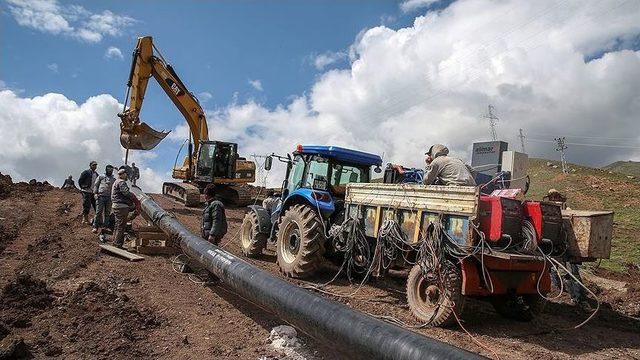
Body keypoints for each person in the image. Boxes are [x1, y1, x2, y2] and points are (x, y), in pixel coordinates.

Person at [111, 168, 134, 248]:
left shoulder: (116, 182)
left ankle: (114, 242)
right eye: (127, 174)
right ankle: (117, 244)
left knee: (117, 225)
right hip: (121, 207)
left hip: (116, 206)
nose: (127, 176)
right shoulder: (121, 182)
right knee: (121, 226)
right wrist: (133, 197)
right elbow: (126, 192)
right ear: (123, 174)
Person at [92, 165, 116, 234]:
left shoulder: (113, 179)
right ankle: (95, 226)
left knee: (107, 213)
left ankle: (105, 226)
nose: (110, 171)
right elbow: (96, 185)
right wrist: (95, 193)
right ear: (106, 170)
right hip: (101, 196)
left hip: (109, 198)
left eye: (111, 170)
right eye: (109, 169)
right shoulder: (101, 176)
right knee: (98, 212)